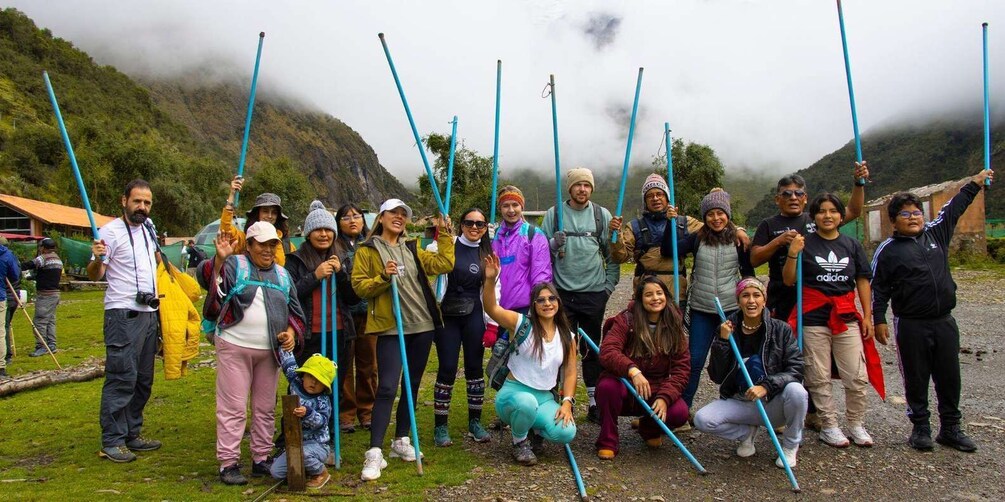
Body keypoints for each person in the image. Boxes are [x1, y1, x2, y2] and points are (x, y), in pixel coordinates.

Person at [871, 169, 993, 452]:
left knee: (950, 376)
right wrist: (879, 320)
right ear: (893, 221)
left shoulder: (937, 233)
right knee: (916, 376)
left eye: (917, 212)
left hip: (944, 321)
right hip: (911, 324)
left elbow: (954, 208)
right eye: (905, 214)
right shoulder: (887, 250)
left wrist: (973, 184)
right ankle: (920, 428)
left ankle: (950, 428)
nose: (913, 217)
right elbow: (880, 288)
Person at [350, 199, 454, 481]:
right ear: (381, 217)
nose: (399, 217)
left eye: (403, 214)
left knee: (412, 385)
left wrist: (444, 233)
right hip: (391, 327)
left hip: (422, 325)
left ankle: (401, 441)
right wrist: (384, 277)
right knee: (386, 387)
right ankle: (374, 452)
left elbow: (444, 263)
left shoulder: (412, 248)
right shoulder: (368, 250)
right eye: (393, 213)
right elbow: (360, 287)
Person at [197, 221, 304, 485]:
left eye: (272, 245)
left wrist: (290, 333)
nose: (267, 250)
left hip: (269, 351)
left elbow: (295, 313)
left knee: (265, 408)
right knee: (233, 407)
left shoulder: (282, 275)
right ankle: (229, 463)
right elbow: (207, 277)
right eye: (262, 245)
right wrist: (219, 260)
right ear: (250, 245)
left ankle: (261, 459)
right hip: (234, 345)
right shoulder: (235, 265)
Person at [784, 192, 882, 448]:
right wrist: (793, 254)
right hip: (813, 319)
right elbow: (789, 279)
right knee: (818, 376)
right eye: (822, 211)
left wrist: (868, 316)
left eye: (833, 211)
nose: (827, 216)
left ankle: (856, 423)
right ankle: (829, 425)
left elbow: (862, 280)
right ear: (814, 216)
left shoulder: (851, 245)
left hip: (846, 316)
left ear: (841, 216)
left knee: (856, 374)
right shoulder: (805, 243)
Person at [693, 278, 807, 468]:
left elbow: (796, 369)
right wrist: (722, 342)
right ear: (738, 301)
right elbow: (717, 376)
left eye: (757, 295)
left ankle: (790, 445)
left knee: (797, 392)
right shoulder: (727, 329)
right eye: (745, 296)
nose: (751, 301)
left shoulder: (781, 329)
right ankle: (746, 433)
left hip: (772, 402)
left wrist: (766, 386)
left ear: (764, 300)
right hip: (741, 400)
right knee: (702, 420)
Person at [87, 179, 162, 463]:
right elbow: (96, 274)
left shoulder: (149, 229)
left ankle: (132, 432)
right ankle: (113, 439)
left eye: (147, 202)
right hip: (122, 314)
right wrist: (97, 258)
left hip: (148, 313)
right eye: (137, 201)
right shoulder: (109, 233)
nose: (142, 207)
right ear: (124, 201)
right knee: (122, 377)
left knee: (143, 379)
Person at [540, 167, 619, 423]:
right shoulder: (555, 215)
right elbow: (541, 254)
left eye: (587, 185)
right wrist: (554, 245)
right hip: (562, 295)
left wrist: (608, 287)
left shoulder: (601, 215)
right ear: (570, 188)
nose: (582, 189)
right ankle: (562, 399)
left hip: (594, 292)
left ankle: (595, 402)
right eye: (578, 185)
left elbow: (612, 254)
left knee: (592, 349)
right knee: (562, 349)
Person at [483, 254, 578, 466]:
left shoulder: (567, 337)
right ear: (533, 305)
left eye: (552, 299)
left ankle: (534, 430)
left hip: (544, 397)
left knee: (567, 432)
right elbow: (492, 309)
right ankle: (519, 442)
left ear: (558, 303)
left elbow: (571, 371)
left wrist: (566, 403)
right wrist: (490, 280)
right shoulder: (521, 324)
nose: (547, 303)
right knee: (527, 403)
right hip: (513, 394)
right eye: (541, 300)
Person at [667, 188, 754, 411]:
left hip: (732, 311)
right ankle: (683, 409)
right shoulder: (697, 238)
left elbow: (748, 273)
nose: (716, 218)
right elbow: (669, 249)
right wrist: (670, 223)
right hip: (702, 310)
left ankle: (737, 408)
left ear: (728, 214)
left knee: (736, 361)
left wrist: (751, 302)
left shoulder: (738, 240)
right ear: (705, 217)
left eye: (720, 213)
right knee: (694, 361)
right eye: (710, 214)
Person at [595, 276, 690, 459]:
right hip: (624, 383)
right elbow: (608, 351)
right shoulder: (626, 320)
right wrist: (632, 370)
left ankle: (648, 428)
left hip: (655, 387)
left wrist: (665, 397)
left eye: (659, 293)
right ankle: (608, 439)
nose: (655, 298)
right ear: (639, 299)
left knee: (679, 413)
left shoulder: (674, 325)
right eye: (649, 294)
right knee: (606, 387)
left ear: (666, 296)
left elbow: (682, 369)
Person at [428, 208, 493, 447]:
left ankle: (475, 422)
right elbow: (432, 253)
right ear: (461, 224)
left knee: (475, 367)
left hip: (474, 311)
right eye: (469, 222)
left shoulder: (488, 252)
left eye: (480, 224)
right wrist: (443, 232)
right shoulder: (450, 244)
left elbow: (494, 289)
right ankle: (440, 426)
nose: (474, 228)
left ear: (486, 227)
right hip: (448, 313)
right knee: (446, 367)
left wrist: (493, 324)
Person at [609, 174, 696, 297]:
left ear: (667, 197)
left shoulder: (684, 223)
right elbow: (620, 257)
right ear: (645, 201)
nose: (655, 198)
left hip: (676, 297)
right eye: (649, 196)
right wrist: (615, 234)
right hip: (645, 297)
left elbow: (711, 230)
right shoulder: (634, 227)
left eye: (659, 194)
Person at [486, 186, 552, 347]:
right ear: (500, 208)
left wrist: (537, 307)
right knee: (501, 362)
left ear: (522, 206)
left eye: (515, 205)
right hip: (497, 309)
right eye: (505, 205)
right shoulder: (492, 237)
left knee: (525, 361)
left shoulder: (533, 234)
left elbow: (541, 275)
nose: (511, 210)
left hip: (524, 310)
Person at [332, 203, 376, 434]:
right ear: (338, 222)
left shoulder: (371, 244)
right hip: (344, 313)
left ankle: (367, 411)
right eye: (346, 217)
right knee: (345, 365)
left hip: (369, 312)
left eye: (356, 216)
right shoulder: (334, 246)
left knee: (369, 364)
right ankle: (345, 414)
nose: (352, 220)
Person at [270, 352, 335, 490]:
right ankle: (305, 469)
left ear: (325, 386)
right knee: (276, 471)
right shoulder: (296, 383)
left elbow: (322, 422)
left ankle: (321, 473)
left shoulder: (322, 401)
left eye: (320, 381)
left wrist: (308, 413)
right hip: (295, 443)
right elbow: (289, 364)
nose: (314, 382)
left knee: (303, 453)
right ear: (303, 375)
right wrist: (285, 342)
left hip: (318, 445)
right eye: (310, 376)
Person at [220, 176, 296, 266]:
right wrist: (232, 194)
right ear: (257, 214)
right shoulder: (245, 239)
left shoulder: (287, 246)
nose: (270, 216)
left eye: (274, 212)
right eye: (265, 211)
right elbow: (225, 230)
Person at [20, 238, 62, 356]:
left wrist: (15, 264)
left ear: (43, 247)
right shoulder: (57, 259)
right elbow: (48, 275)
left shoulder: (44, 258)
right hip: (55, 294)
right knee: (50, 320)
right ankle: (51, 345)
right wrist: (34, 278)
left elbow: (30, 264)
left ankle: (41, 346)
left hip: (45, 295)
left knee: (39, 321)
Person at [0, 236, 20, 381]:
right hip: (1, 295)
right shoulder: (7, 255)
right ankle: (1, 366)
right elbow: (14, 275)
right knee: (0, 331)